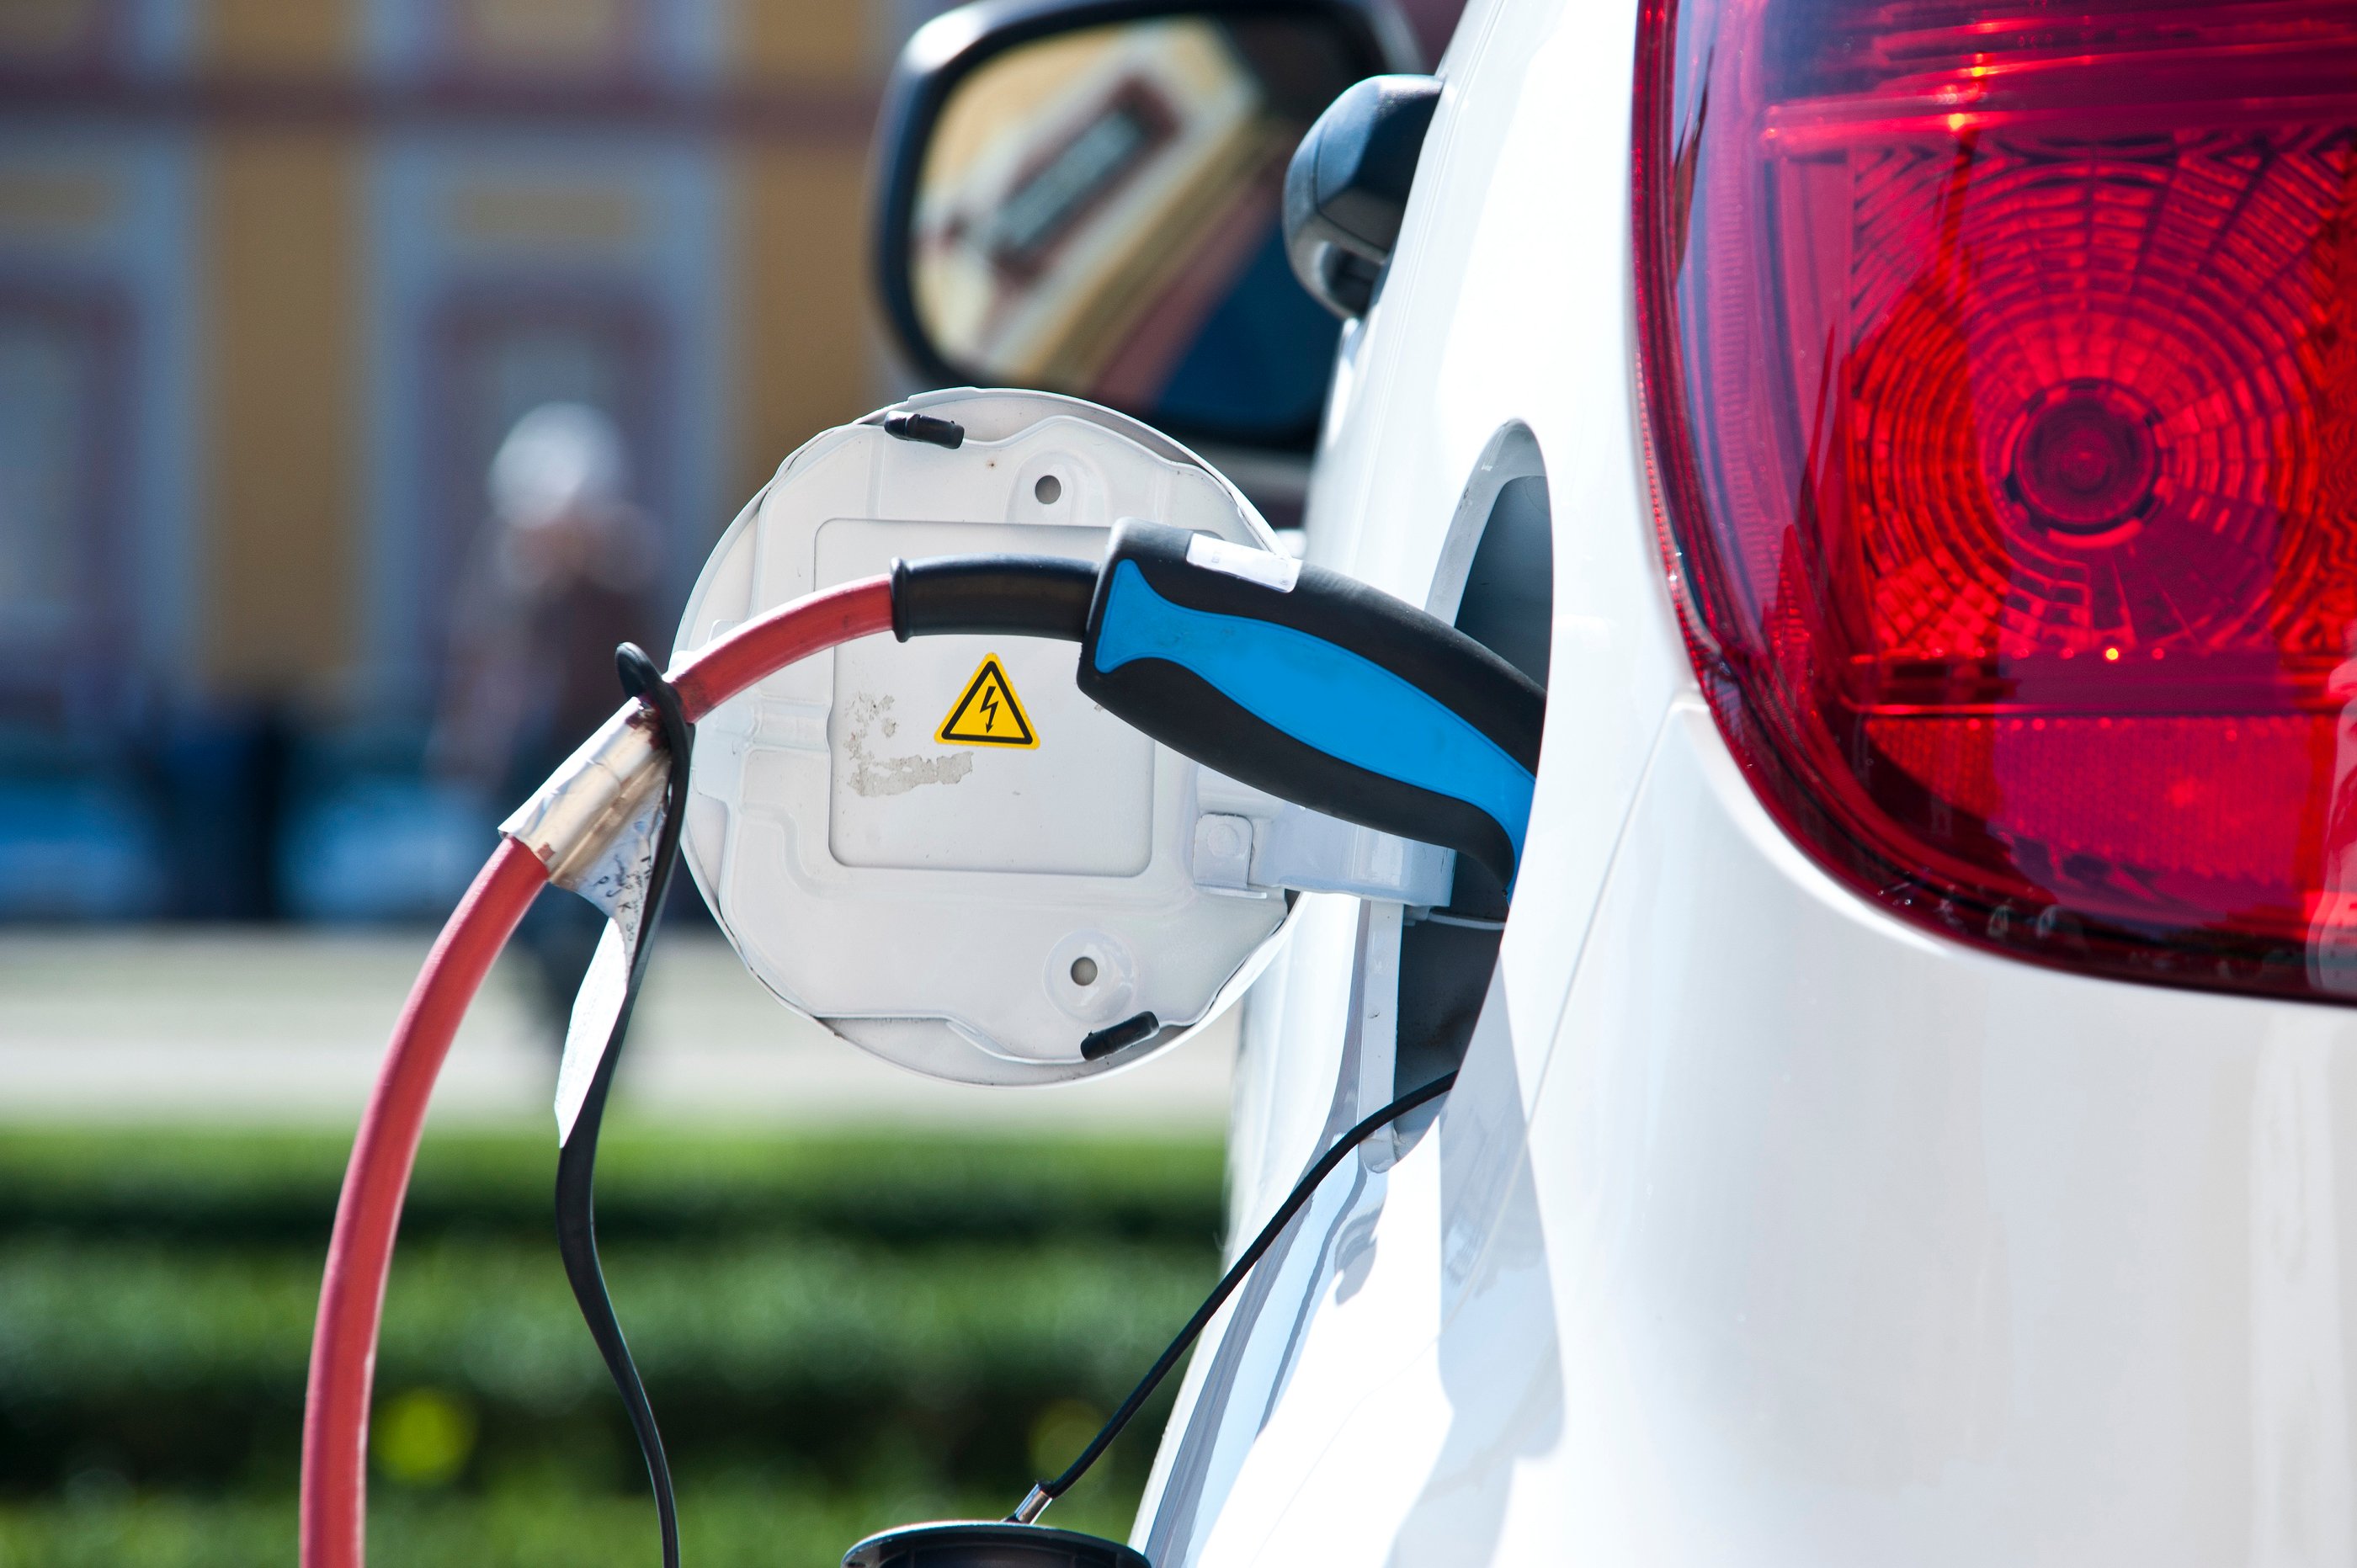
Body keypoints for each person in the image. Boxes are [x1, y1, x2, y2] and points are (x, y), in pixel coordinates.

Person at [434, 403, 663, 1041]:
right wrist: (469, 736)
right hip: (526, 763)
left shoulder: (619, 581)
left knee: (597, 911)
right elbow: (483, 664)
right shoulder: (511, 577)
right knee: (513, 914)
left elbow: (634, 676)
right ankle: (555, 1020)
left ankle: (602, 1028)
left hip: (600, 762)